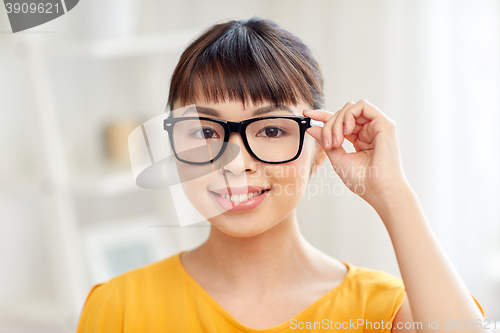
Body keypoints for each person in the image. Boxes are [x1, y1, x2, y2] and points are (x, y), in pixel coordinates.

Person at [76, 17, 487, 332]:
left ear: (321, 146)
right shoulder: (119, 306)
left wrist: (391, 191)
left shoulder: (380, 309)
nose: (234, 163)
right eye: (204, 131)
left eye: (271, 130)